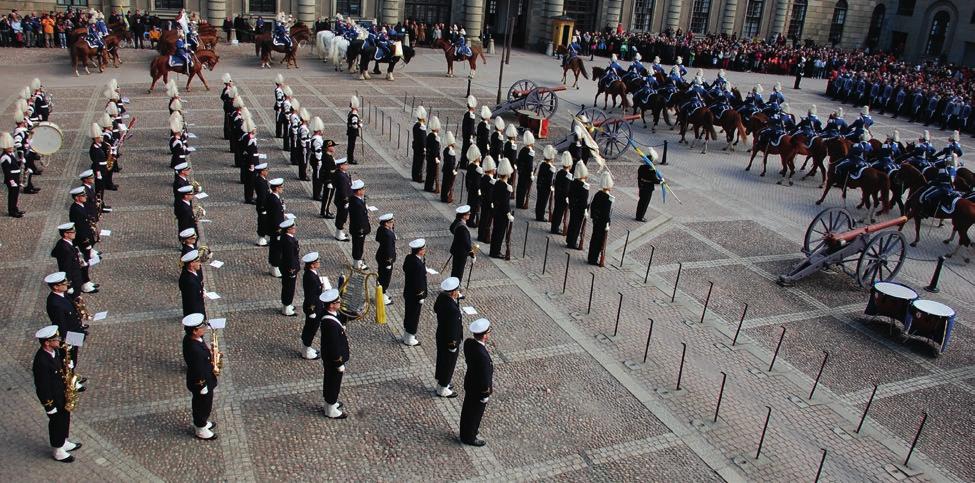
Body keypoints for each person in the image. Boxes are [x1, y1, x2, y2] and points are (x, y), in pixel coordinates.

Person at [32, 325, 82, 462]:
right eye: (56, 339)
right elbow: (42, 386)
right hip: (53, 397)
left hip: (62, 393)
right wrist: (49, 405)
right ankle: (57, 449)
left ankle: (63, 441)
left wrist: (69, 366)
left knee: (65, 417)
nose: (59, 340)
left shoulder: (56, 351)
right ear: (47, 343)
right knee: (56, 422)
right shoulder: (41, 361)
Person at [181, 313, 218, 440]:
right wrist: (202, 385)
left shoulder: (192, 339)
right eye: (202, 327)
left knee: (205, 404)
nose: (205, 328)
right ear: (195, 331)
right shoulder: (194, 349)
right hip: (201, 383)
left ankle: (202, 422)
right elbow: (197, 369)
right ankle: (200, 428)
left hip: (205, 377)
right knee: (202, 404)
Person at [459, 318, 494, 446]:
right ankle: (469, 436)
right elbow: (485, 376)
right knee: (475, 413)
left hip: (470, 383)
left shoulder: (469, 343)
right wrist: (485, 394)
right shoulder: (482, 356)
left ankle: (467, 431)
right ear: (484, 336)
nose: (489, 334)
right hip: (478, 389)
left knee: (468, 409)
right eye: (488, 332)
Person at [319, 289, 349, 419]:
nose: (339, 303)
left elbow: (340, 318)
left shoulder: (330, 314)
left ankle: (329, 403)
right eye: (337, 302)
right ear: (331, 305)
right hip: (333, 359)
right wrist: (339, 362)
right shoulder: (329, 324)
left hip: (331, 358)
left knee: (331, 381)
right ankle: (330, 409)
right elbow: (333, 346)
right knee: (333, 382)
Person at [434, 277, 463, 398]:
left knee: (442, 360)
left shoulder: (442, 298)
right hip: (449, 340)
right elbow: (453, 329)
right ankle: (443, 387)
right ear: (452, 292)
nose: (458, 292)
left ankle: (441, 382)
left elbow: (436, 309)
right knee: (448, 363)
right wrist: (453, 344)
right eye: (457, 290)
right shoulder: (452, 310)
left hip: (441, 334)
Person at [51, 223, 91, 298]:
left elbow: (54, 253)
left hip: (76, 275)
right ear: (66, 234)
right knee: (75, 297)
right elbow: (66, 269)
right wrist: (69, 286)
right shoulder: (66, 249)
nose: (75, 233)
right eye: (72, 232)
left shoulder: (63, 243)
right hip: (74, 279)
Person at [402, 239, 428, 346]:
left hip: (408, 292)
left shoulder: (409, 258)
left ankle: (407, 335)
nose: (425, 250)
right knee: (413, 316)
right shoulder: (417, 264)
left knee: (409, 314)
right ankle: (409, 338)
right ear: (419, 251)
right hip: (415, 295)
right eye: (423, 249)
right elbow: (418, 282)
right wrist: (420, 295)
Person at [300, 251, 324, 359]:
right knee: (311, 329)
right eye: (317, 261)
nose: (319, 262)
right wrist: (311, 311)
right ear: (312, 264)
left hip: (316, 305)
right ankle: (306, 350)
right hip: (313, 308)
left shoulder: (312, 273)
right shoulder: (310, 277)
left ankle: (307, 348)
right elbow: (310, 296)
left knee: (312, 328)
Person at [587, 173, 614, 265]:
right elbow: (606, 213)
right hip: (602, 222)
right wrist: (607, 223)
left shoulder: (598, 194)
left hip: (596, 221)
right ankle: (594, 259)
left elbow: (593, 207)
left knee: (594, 238)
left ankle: (591, 257)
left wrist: (594, 218)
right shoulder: (608, 198)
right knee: (599, 242)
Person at [490, 157, 513, 258]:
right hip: (502, 213)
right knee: (499, 234)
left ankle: (493, 250)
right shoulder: (506, 187)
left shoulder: (497, 183)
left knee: (496, 232)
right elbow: (505, 202)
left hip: (496, 211)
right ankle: (496, 252)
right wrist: (508, 213)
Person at [566, 161, 590, 250]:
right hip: (579, 208)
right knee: (576, 226)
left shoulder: (573, 182)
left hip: (573, 206)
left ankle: (569, 239)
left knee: (572, 223)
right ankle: (572, 242)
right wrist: (585, 210)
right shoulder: (584, 186)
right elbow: (584, 201)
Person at [265, 179, 287, 277]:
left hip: (273, 227)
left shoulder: (272, 197)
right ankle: (275, 266)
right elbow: (276, 217)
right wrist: (279, 230)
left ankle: (273, 266)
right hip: (276, 229)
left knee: (274, 247)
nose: (282, 189)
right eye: (281, 187)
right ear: (277, 188)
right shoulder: (275, 201)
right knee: (276, 249)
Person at [279, 218, 299, 316]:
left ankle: (287, 304)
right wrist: (292, 270)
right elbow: (290, 257)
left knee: (288, 287)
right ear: (288, 229)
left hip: (287, 267)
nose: (295, 228)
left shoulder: (287, 238)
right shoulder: (289, 241)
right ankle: (286, 307)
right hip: (290, 269)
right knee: (289, 288)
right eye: (292, 227)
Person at [635, 148, 662, 222]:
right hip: (648, 188)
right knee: (645, 203)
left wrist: (639, 186)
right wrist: (661, 181)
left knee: (641, 202)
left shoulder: (641, 167)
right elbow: (655, 180)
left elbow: (639, 178)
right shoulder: (651, 170)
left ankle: (638, 215)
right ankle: (640, 217)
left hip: (642, 186)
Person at [349, 180, 370, 270]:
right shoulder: (357, 203)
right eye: (362, 189)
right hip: (358, 229)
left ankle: (358, 260)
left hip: (357, 228)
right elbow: (359, 219)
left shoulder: (356, 200)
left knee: (358, 245)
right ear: (358, 191)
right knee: (358, 246)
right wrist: (361, 230)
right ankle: (357, 263)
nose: (364, 190)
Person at [375, 213, 396, 305]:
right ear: (386, 223)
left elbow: (378, 239)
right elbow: (389, 250)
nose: (393, 223)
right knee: (385, 279)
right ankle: (382, 295)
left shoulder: (381, 229)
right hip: (385, 259)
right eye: (391, 222)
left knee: (381, 276)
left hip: (381, 256)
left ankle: (381, 293)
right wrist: (388, 262)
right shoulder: (388, 235)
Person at [1, 131, 23, 217]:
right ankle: (12, 211)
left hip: (15, 177)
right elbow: (7, 171)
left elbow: (14, 164)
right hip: (11, 179)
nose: (11, 147)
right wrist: (11, 181)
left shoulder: (11, 154)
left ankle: (15, 208)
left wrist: (20, 161)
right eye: (9, 146)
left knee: (15, 195)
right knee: (12, 196)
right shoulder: (4, 157)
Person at [550, 152, 573, 233]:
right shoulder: (568, 175)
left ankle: (554, 227)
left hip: (557, 195)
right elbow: (567, 189)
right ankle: (555, 228)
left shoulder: (560, 172)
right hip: (563, 197)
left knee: (557, 211)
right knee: (559, 213)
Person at [179, 249, 206, 317]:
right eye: (198, 261)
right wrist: (201, 293)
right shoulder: (190, 282)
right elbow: (193, 302)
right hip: (195, 312)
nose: (200, 263)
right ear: (191, 264)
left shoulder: (190, 272)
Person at [534, 145, 556, 221]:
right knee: (543, 202)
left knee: (539, 201)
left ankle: (538, 214)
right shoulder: (551, 168)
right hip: (546, 187)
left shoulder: (542, 164)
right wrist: (551, 186)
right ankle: (540, 216)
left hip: (540, 185)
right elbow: (550, 180)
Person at [477, 156, 496, 242]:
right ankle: (484, 236)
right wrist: (492, 204)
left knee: (483, 219)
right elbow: (490, 194)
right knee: (486, 221)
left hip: (484, 202)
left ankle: (481, 235)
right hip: (488, 203)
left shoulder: (484, 177)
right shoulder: (490, 180)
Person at [319, 139, 338, 218]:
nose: (333, 147)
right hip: (329, 180)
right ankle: (325, 211)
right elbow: (328, 171)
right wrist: (329, 181)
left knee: (328, 196)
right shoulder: (326, 157)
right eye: (332, 146)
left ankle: (326, 210)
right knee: (327, 197)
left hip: (330, 179)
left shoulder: (328, 155)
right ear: (327, 147)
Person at [465, 146, 483, 228]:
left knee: (470, 204)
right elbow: (478, 183)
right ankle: (470, 221)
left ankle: (469, 219)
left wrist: (468, 187)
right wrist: (479, 192)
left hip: (471, 189)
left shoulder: (470, 166)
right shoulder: (477, 169)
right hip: (476, 190)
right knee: (474, 207)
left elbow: (467, 178)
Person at [425, 116, 443, 193]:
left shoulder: (429, 135)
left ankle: (427, 186)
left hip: (429, 157)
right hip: (433, 158)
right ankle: (429, 187)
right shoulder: (436, 138)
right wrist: (437, 158)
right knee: (432, 174)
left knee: (429, 173)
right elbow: (436, 149)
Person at [441, 131, 459, 202]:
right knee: (448, 184)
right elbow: (451, 163)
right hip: (449, 171)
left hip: (446, 169)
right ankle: (445, 197)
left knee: (445, 184)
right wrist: (453, 170)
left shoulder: (446, 150)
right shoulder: (450, 151)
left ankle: (444, 196)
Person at [293, 109, 310, 180]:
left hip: (303, 146)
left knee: (302, 162)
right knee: (304, 162)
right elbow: (303, 140)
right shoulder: (304, 128)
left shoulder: (302, 127)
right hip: (304, 147)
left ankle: (302, 174)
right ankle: (303, 175)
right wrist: (304, 149)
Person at [412, 106, 427, 183]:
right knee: (420, 163)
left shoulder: (416, 125)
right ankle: (418, 176)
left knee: (415, 161)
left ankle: (414, 175)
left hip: (416, 146)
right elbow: (423, 139)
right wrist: (424, 148)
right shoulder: (422, 127)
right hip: (420, 148)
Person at [461, 96, 477, 165]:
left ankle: (463, 162)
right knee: (467, 150)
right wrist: (471, 136)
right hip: (468, 136)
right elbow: (471, 127)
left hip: (465, 134)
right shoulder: (471, 115)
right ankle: (465, 163)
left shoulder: (466, 114)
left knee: (464, 149)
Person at [347, 96, 360, 165]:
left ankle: (349, 158)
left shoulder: (351, 112)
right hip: (353, 132)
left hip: (350, 131)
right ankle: (350, 159)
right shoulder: (354, 114)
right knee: (351, 146)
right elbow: (354, 125)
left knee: (350, 145)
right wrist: (359, 125)